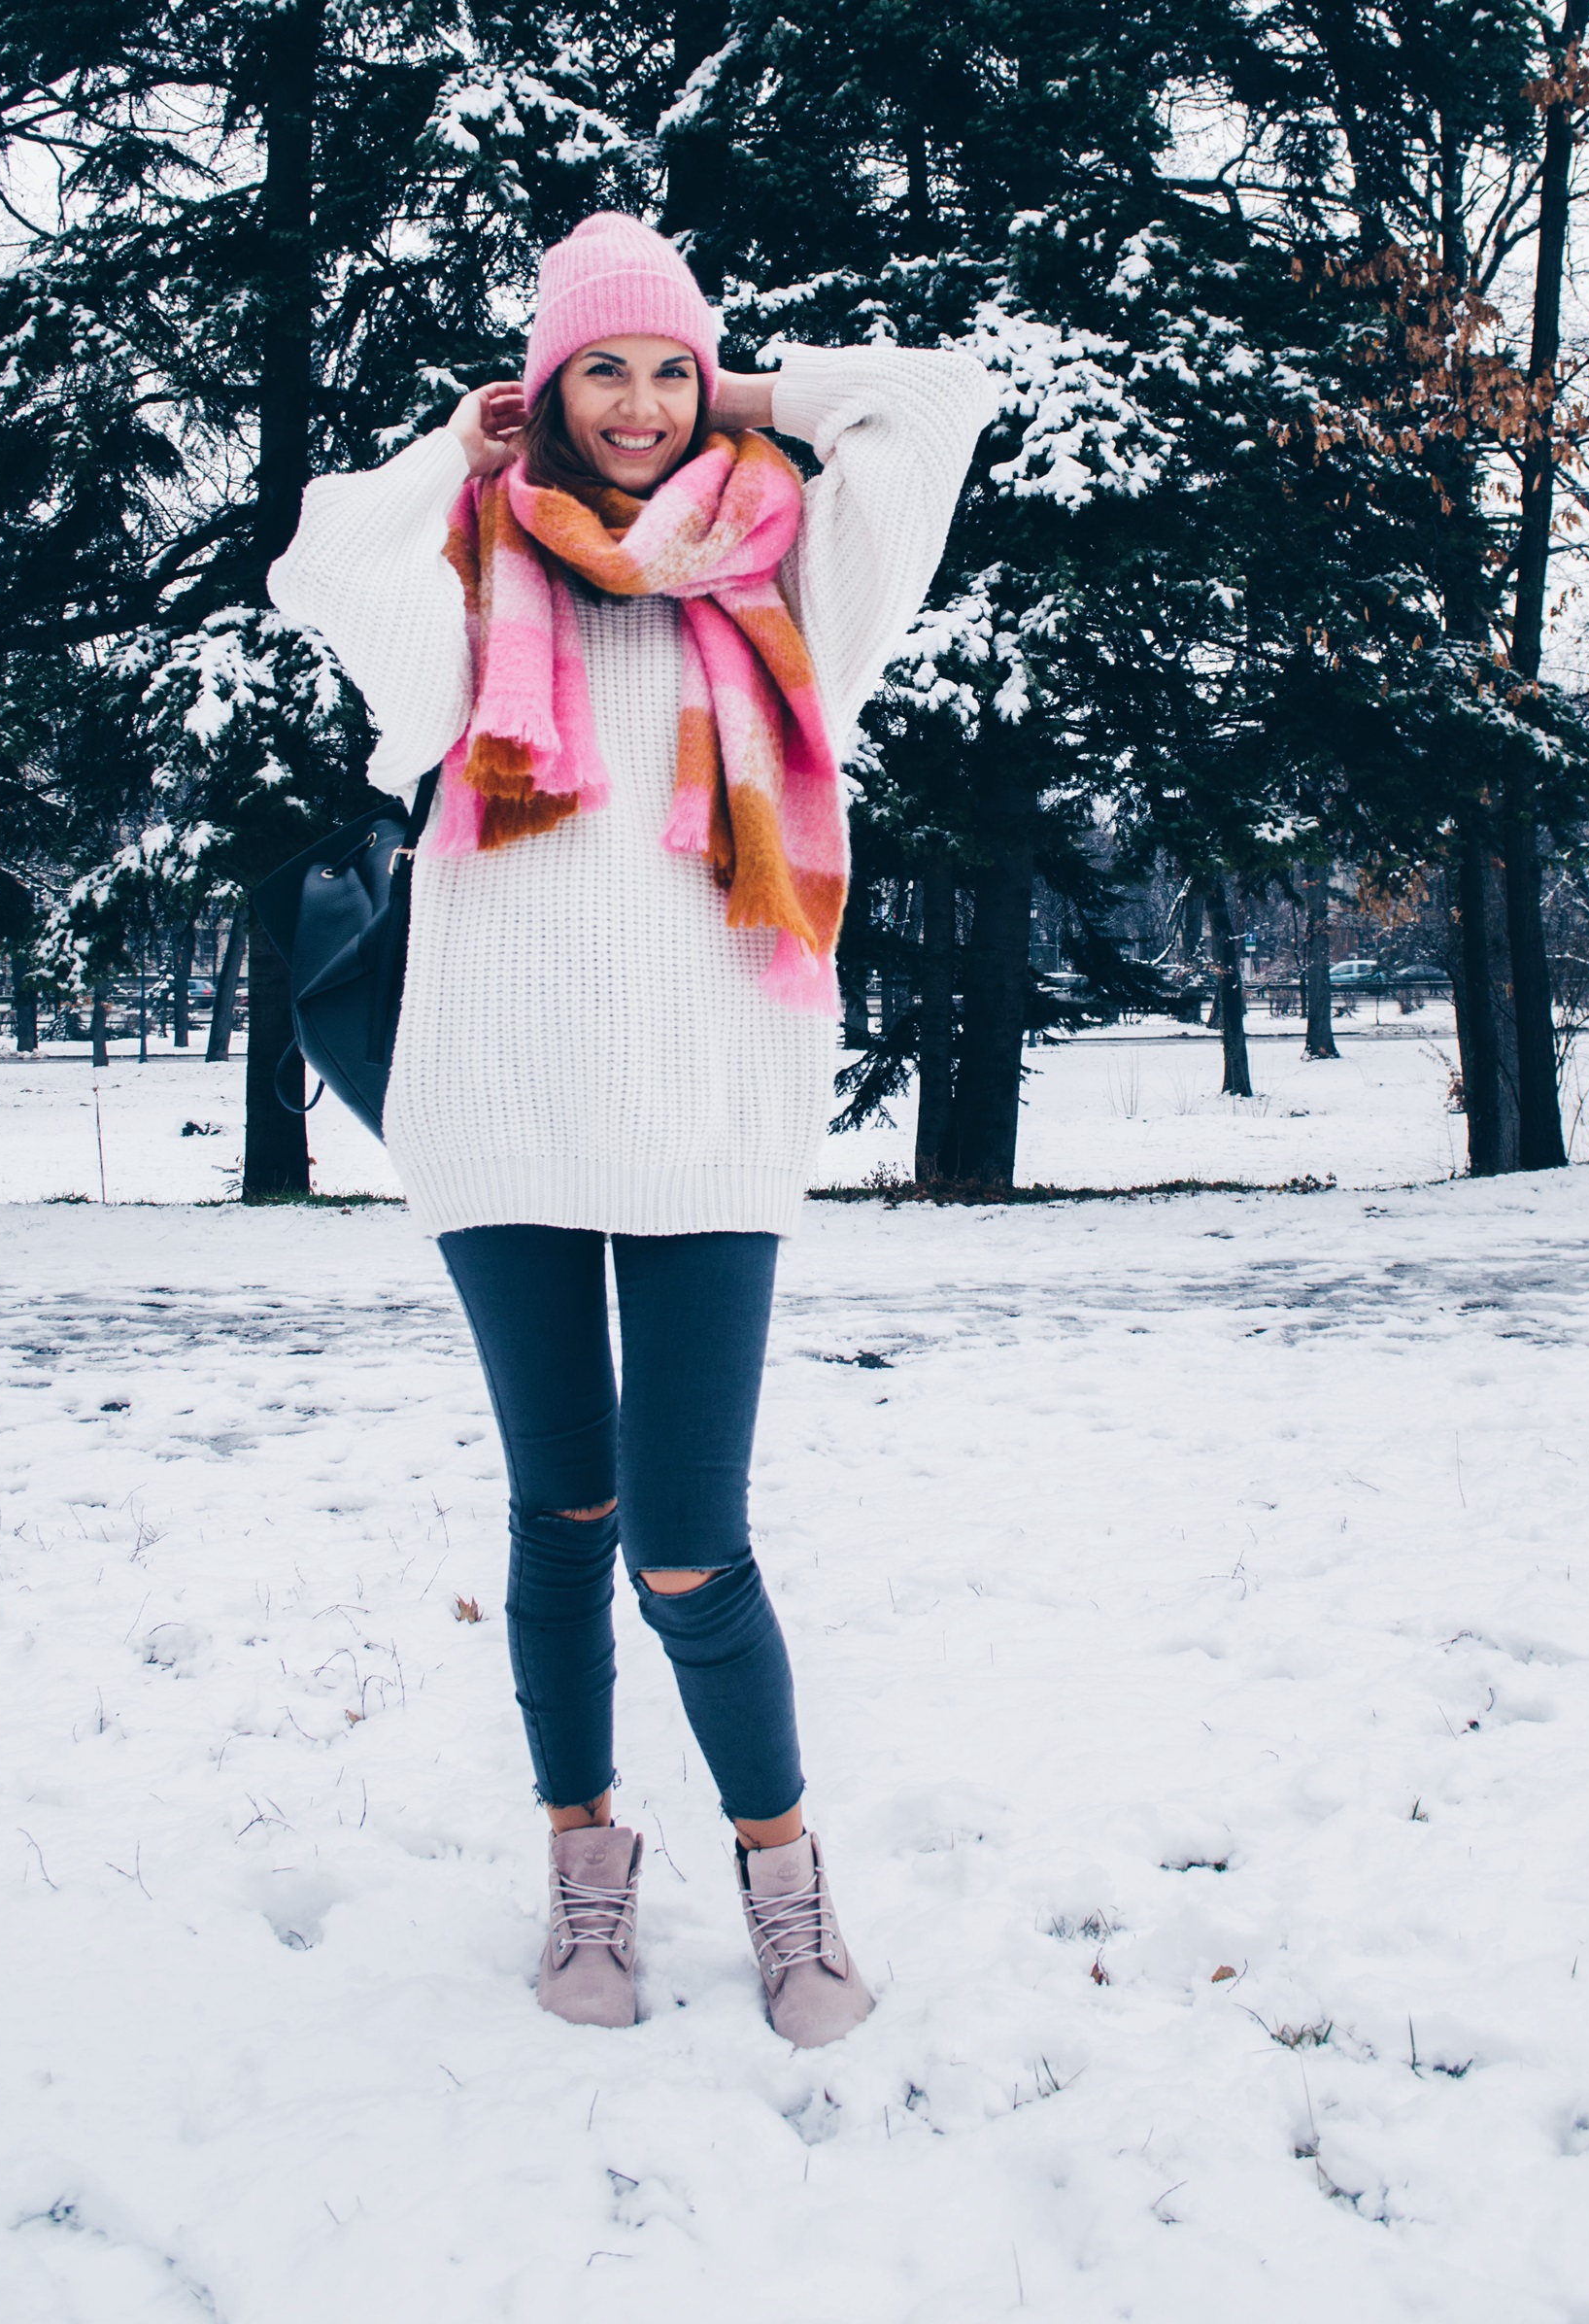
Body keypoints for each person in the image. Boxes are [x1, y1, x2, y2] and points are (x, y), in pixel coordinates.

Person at [269, 213, 993, 2044]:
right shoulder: (463, 577)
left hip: (711, 1115)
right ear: (548, 383)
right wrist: (462, 442)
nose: (645, 404)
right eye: (606, 366)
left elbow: (936, 406)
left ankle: (785, 1879)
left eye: (670, 368)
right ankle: (584, 1871)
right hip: (503, 1103)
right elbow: (315, 553)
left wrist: (753, 383)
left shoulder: (796, 570)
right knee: (559, 1511)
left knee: (688, 1543)